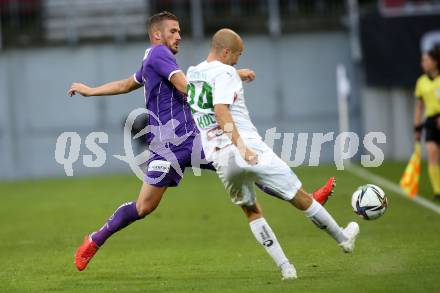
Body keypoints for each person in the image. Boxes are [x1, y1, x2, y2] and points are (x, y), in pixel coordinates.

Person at [68, 11, 333, 277]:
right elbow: (186, 87)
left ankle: (306, 198)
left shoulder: (153, 58)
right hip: (167, 145)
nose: (179, 36)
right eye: (173, 31)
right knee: (144, 207)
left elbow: (127, 84)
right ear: (157, 34)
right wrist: (230, 75)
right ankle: (94, 240)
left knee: (245, 164)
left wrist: (91, 90)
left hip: (195, 139)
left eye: (180, 31)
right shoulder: (159, 55)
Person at [186, 28, 359, 279]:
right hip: (246, 147)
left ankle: (285, 268)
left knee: (251, 210)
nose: (238, 60)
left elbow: (214, 76)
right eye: (237, 55)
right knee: (299, 197)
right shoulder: (225, 72)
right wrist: (243, 148)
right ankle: (343, 239)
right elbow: (221, 110)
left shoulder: (193, 72)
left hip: (219, 157)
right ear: (225, 52)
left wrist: (237, 72)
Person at [414, 45, 440, 201]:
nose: (423, 63)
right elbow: (419, 106)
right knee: (431, 153)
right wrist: (417, 127)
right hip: (430, 121)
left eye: (426, 60)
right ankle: (438, 190)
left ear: (435, 61)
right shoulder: (421, 82)